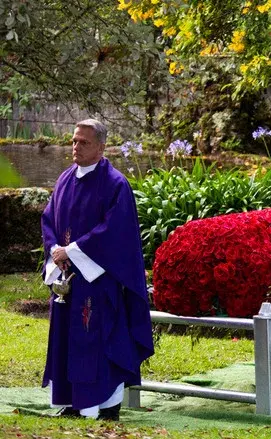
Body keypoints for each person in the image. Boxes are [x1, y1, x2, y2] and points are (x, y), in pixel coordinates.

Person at [40, 119, 154, 421]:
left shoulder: (115, 184)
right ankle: (72, 402)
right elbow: (48, 219)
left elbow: (114, 231)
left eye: (84, 142)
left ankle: (107, 405)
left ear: (101, 148)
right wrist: (55, 250)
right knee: (67, 340)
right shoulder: (65, 179)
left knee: (100, 340)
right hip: (67, 279)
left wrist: (72, 251)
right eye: (74, 141)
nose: (76, 147)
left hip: (98, 281)